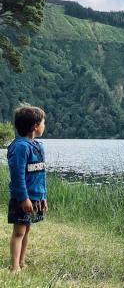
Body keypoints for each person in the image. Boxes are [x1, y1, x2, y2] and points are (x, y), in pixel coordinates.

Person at [7, 105, 47, 273]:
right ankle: (14, 267)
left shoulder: (38, 146)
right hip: (22, 199)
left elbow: (41, 174)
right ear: (35, 126)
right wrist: (24, 198)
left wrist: (43, 197)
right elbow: (17, 176)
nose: (45, 125)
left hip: (35, 198)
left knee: (26, 229)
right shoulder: (20, 147)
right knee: (19, 232)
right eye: (43, 122)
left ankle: (22, 262)